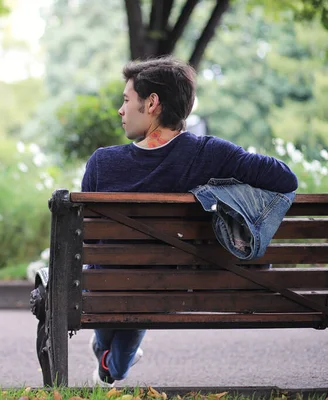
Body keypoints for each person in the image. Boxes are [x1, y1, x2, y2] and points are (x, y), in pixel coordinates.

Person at [81, 56, 298, 387]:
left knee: (109, 280)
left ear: (152, 103)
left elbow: (88, 241)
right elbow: (284, 179)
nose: (120, 110)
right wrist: (222, 191)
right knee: (137, 294)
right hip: (168, 290)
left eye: (126, 100)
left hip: (106, 287)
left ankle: (108, 359)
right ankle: (111, 363)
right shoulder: (210, 154)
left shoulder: (102, 163)